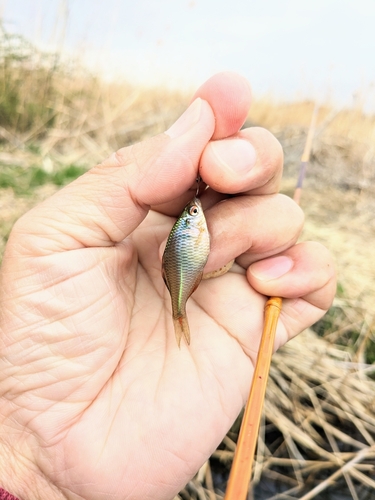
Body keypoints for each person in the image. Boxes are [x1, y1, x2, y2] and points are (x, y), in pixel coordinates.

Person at [0, 72, 336, 500]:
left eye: (195, 216)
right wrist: (32, 469)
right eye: (194, 215)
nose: (196, 215)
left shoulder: (190, 231)